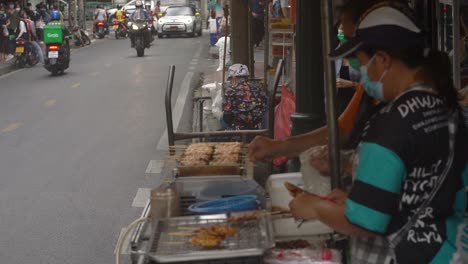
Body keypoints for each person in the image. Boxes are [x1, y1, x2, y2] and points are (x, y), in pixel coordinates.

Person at [289, 4, 468, 264]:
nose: (362, 74)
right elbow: (414, 191)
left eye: (362, 63)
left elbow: (364, 222)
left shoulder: (391, 122)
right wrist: (352, 199)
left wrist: (314, 206)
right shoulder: (446, 106)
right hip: (451, 251)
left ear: (383, 59)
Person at [222, 64, 267, 131]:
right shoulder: (258, 89)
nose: (231, 81)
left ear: (234, 78)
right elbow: (264, 107)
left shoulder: (231, 91)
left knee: (213, 138)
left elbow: (227, 116)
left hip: (237, 131)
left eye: (231, 79)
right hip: (257, 130)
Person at [335, 25, 360, 115]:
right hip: (337, 109)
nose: (342, 33)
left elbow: (368, 87)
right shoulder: (334, 55)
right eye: (341, 29)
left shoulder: (361, 56)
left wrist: (350, 84)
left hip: (356, 107)